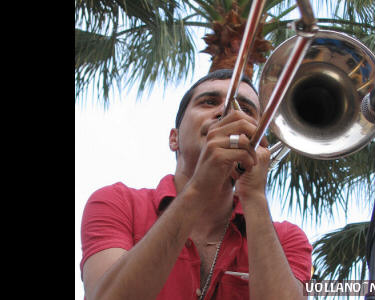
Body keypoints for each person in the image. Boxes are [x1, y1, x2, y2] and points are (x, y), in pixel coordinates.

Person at [80, 69, 313, 300]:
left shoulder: (287, 238)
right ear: (174, 138)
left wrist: (254, 196)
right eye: (209, 102)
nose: (227, 113)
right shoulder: (117, 202)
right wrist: (200, 187)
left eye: (247, 109)